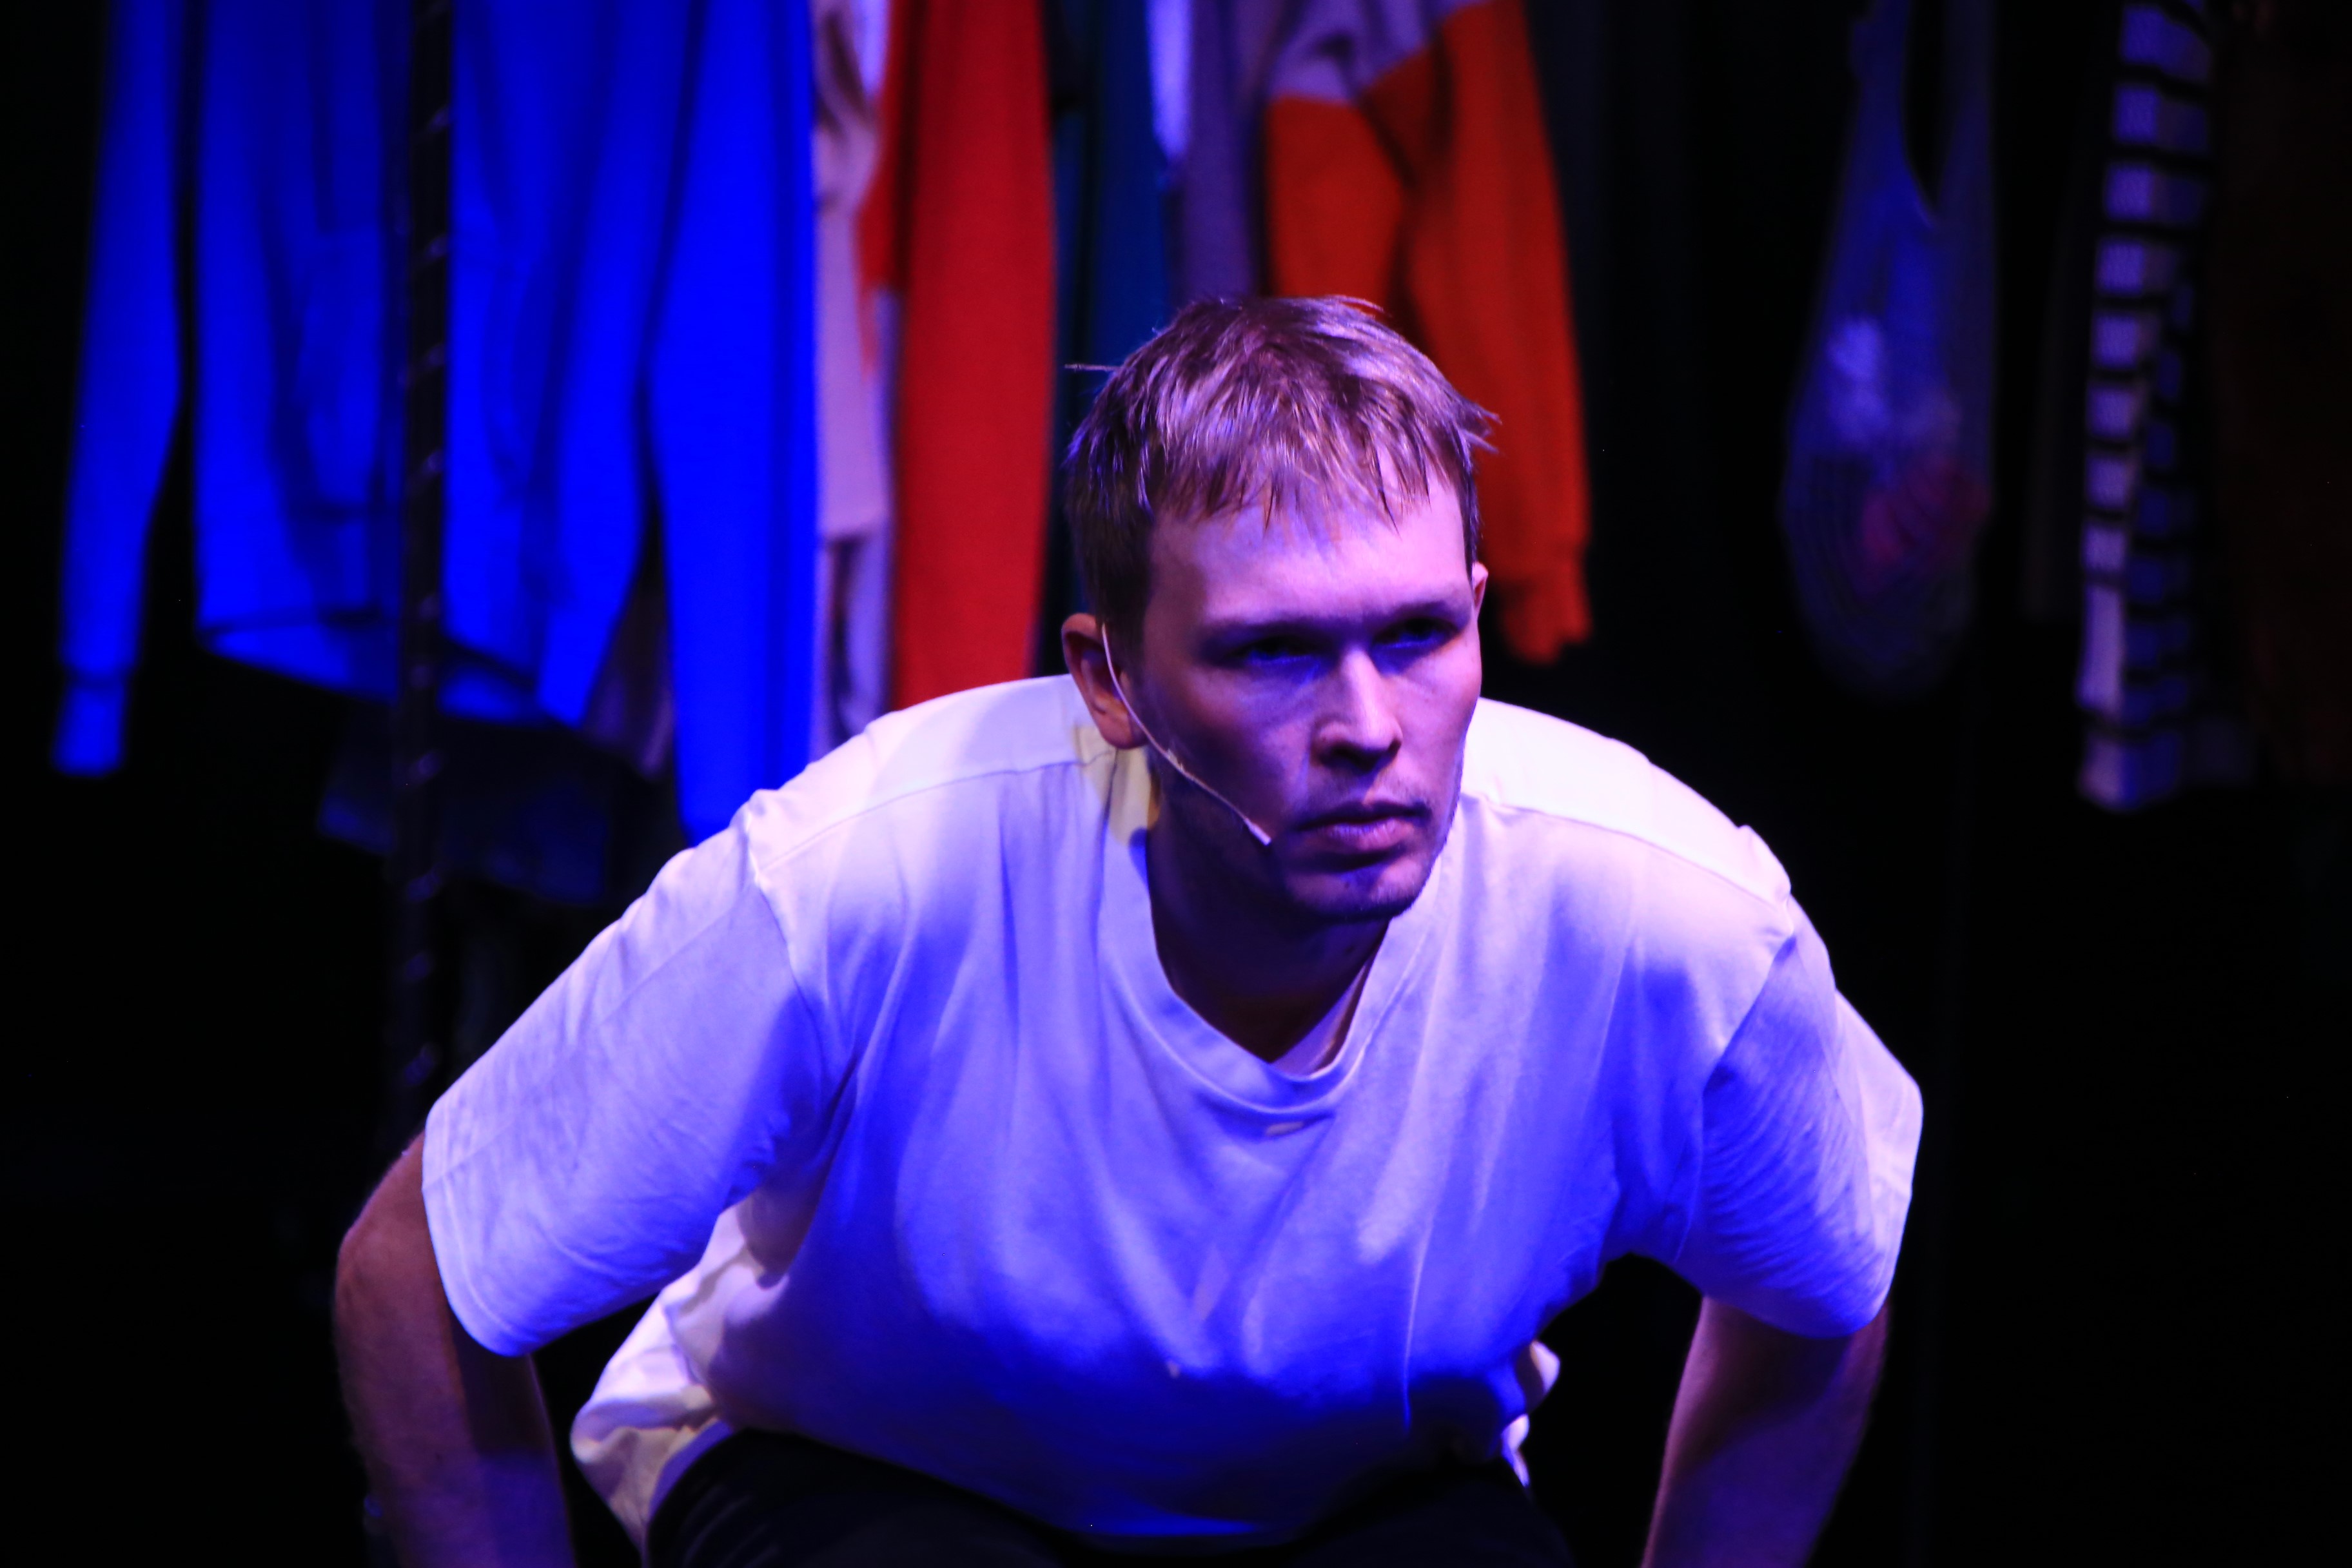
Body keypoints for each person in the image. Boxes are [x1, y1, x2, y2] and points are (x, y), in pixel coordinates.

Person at [336, 297, 1921, 1568]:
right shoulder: (861, 878)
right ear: (1110, 680)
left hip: (1356, 1497)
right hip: (849, 1467)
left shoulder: (1663, 919)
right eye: (1274, 652)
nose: (1370, 726)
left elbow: (1827, 1270)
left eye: (1419, 633)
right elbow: (418, 1268)